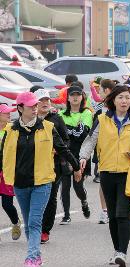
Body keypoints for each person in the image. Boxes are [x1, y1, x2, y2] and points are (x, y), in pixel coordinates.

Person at [0, 92, 80, 267]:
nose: (35, 108)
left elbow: (63, 149)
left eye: (35, 105)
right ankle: (35, 254)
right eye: (31, 106)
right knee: (28, 223)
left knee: (35, 221)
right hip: (20, 184)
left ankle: (33, 257)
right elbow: (2, 156)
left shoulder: (49, 127)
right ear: (20, 108)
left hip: (42, 183)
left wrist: (76, 167)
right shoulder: (10, 130)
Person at [80, 85, 130, 266]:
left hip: (127, 173)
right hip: (107, 173)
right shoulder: (101, 119)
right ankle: (117, 250)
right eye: (121, 98)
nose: (124, 101)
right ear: (113, 100)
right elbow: (90, 141)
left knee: (123, 214)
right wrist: (83, 158)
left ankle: (122, 253)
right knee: (113, 216)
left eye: (127, 98)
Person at [29, 89, 70, 244]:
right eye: (41, 101)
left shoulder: (56, 119)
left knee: (50, 196)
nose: (45, 103)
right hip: (32, 165)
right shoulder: (29, 119)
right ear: (34, 104)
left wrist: (56, 149)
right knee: (33, 196)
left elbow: (66, 141)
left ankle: (45, 230)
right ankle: (33, 226)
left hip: (54, 166)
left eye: (47, 100)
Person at [58, 86, 93, 224]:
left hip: (80, 154)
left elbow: (82, 133)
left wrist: (68, 130)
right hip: (65, 153)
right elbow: (60, 135)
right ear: (67, 98)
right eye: (72, 95)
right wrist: (72, 130)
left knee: (78, 186)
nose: (75, 97)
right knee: (65, 185)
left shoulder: (86, 113)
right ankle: (66, 215)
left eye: (78, 95)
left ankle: (84, 201)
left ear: (82, 97)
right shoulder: (61, 114)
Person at [90, 79, 116, 224]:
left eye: (100, 90)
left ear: (106, 91)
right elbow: (94, 133)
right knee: (104, 182)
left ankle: (117, 209)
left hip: (119, 151)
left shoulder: (120, 108)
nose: (98, 93)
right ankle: (105, 211)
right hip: (103, 152)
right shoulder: (99, 110)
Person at [0, 104, 21, 242]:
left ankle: (16, 222)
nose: (9, 115)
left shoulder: (12, 129)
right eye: (6, 113)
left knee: (6, 204)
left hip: (7, 171)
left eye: (9, 113)